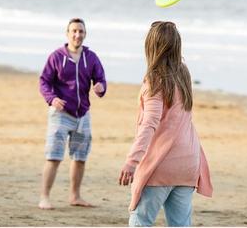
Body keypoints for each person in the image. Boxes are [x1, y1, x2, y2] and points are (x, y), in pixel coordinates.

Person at [119, 21, 213, 226]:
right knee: (180, 224)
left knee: (140, 221)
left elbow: (149, 124)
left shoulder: (155, 80)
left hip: (161, 164)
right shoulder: (183, 74)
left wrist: (131, 161)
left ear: (152, 46)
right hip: (188, 163)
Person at [38, 18, 107, 210]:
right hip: (61, 116)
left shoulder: (91, 57)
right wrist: (52, 99)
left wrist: (101, 88)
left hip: (81, 118)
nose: (77, 35)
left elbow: (100, 79)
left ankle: (75, 196)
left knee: (79, 156)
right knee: (54, 156)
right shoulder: (56, 57)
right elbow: (44, 81)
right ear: (67, 33)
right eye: (74, 31)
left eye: (81, 31)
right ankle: (44, 197)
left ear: (85, 34)